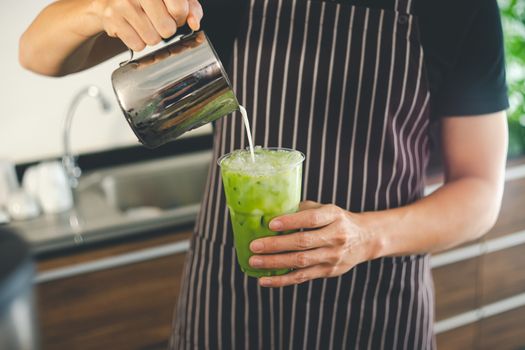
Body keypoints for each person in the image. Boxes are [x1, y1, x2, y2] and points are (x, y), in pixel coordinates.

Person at [20, 0, 509, 348]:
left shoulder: (458, 7)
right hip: (228, 301)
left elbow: (481, 190)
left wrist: (367, 236)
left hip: (375, 304)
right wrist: (100, 9)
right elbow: (37, 53)